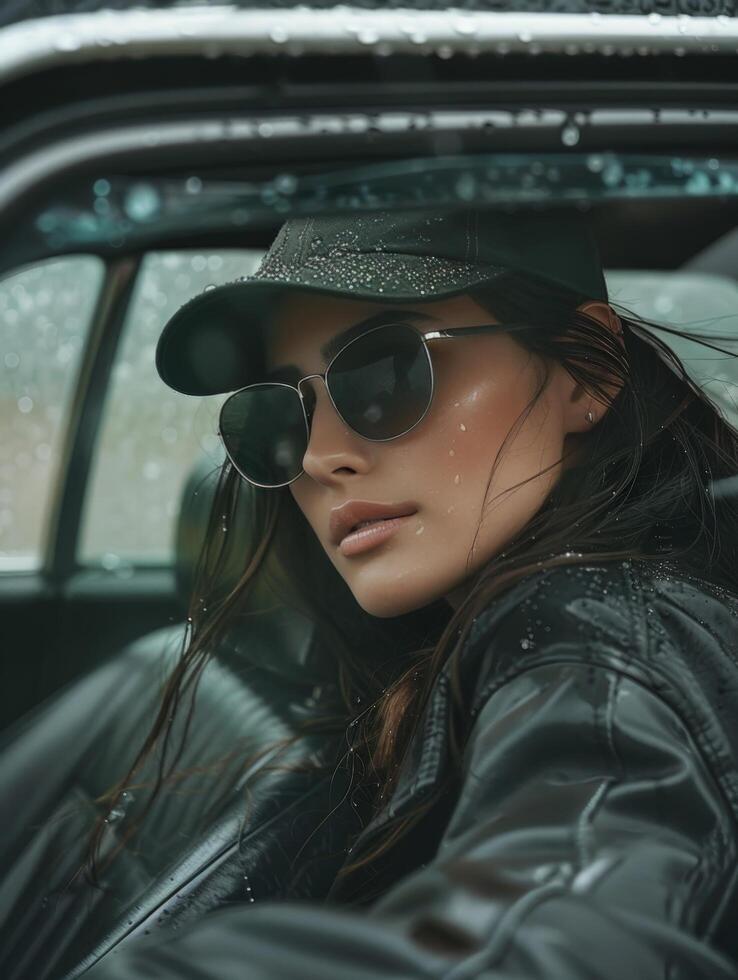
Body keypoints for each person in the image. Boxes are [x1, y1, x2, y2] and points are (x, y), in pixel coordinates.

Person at [47, 209, 738, 976]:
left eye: (385, 375)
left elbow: (552, 935)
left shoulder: (605, 643)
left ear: (591, 372)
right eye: (278, 414)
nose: (319, 456)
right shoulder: (407, 670)